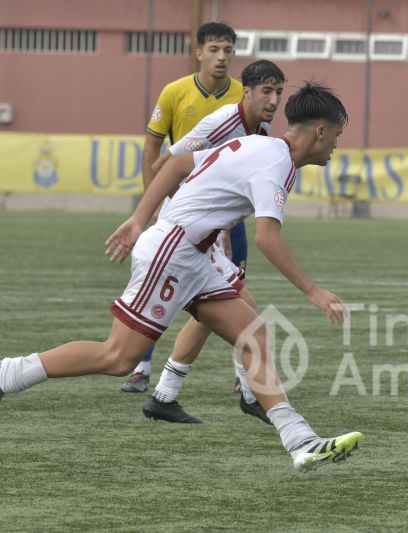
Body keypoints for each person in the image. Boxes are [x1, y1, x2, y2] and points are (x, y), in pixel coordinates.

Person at [0, 82, 363, 472]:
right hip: (174, 251)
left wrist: (140, 219)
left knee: (254, 334)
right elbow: (267, 237)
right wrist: (313, 291)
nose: (336, 146)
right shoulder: (275, 162)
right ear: (320, 131)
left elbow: (177, 163)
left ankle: (301, 442)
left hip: (196, 253)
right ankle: (8, 373)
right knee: (119, 357)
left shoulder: (264, 148)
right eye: (337, 136)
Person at [141, 59, 286, 425]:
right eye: (266, 91)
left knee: (232, 305)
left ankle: (165, 395)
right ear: (247, 92)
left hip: (214, 227)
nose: (272, 100)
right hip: (188, 230)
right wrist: (169, 208)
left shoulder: (262, 127)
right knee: (235, 306)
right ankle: (250, 395)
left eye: (278, 92)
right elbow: (165, 165)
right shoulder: (221, 121)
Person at [122, 21, 244, 394]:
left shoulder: (245, 94)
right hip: (182, 210)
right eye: (213, 50)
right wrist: (152, 206)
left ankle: (246, 375)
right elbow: (152, 149)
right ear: (199, 53)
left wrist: (229, 221)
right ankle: (141, 365)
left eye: (227, 50)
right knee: (158, 287)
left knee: (231, 290)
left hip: (226, 214)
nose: (221, 57)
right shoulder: (175, 93)